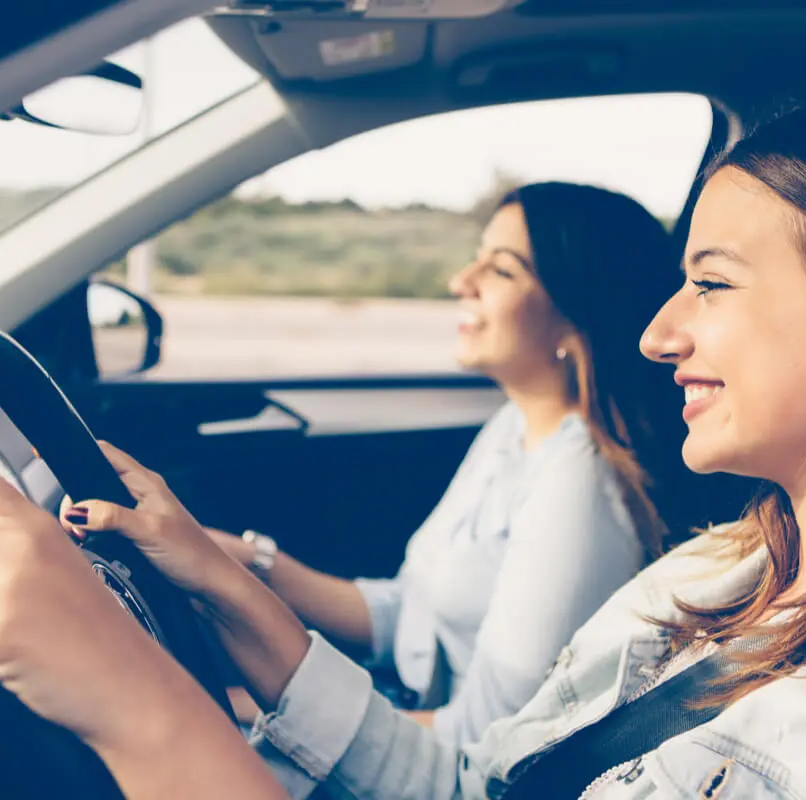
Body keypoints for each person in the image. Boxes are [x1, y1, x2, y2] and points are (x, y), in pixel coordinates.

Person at [0, 88, 806, 798]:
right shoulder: (713, 569)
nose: (657, 332)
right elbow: (476, 784)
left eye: (712, 282)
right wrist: (227, 582)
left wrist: (129, 696)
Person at [202, 182, 682, 742]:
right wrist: (250, 562)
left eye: (501, 271)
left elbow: (490, 738)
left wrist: (251, 709)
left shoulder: (581, 484)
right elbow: (408, 616)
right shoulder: (515, 426)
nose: (461, 281)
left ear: (576, 313)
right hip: (401, 712)